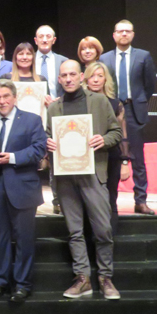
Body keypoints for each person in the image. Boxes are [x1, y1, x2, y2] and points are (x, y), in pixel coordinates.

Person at [46, 60, 122, 300]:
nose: (68, 79)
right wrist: (47, 143)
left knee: (102, 229)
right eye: (63, 75)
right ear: (59, 79)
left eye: (72, 74)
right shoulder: (54, 109)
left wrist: (104, 140)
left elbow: (116, 132)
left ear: (81, 76)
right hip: (66, 177)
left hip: (93, 173)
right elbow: (48, 137)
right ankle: (83, 279)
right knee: (75, 231)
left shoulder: (99, 102)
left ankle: (105, 278)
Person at [0, 79, 47, 302]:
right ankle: (1, 281)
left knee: (24, 238)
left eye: (5, 96)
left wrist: (13, 158)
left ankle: (22, 284)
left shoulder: (32, 120)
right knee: (0, 238)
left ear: (14, 97)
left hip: (22, 187)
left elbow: (39, 149)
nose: (1, 101)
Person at [100, 19, 157, 215]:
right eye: (120, 31)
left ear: (132, 34)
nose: (124, 34)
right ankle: (109, 201)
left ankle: (140, 200)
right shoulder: (104, 58)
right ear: (114, 35)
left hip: (134, 110)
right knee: (112, 157)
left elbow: (150, 85)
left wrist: (138, 101)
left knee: (138, 158)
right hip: (111, 110)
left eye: (128, 31)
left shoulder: (143, 56)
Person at [1, 42, 60, 214]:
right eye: (21, 54)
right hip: (12, 129)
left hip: (35, 129)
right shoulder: (6, 77)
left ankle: (28, 207)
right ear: (15, 57)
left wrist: (49, 105)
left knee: (31, 168)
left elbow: (45, 108)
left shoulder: (40, 79)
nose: (24, 57)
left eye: (28, 54)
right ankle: (12, 204)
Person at [84, 62, 131, 234]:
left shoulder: (115, 103)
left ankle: (110, 241)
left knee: (111, 197)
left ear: (106, 80)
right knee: (88, 199)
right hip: (86, 158)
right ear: (86, 79)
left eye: (100, 76)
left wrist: (125, 161)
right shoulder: (79, 102)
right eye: (92, 76)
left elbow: (122, 134)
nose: (95, 80)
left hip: (111, 157)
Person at [34, 25, 68, 100]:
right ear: (36, 40)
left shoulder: (64, 61)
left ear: (54, 40)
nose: (44, 40)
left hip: (58, 105)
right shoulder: (29, 61)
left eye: (48, 36)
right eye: (41, 36)